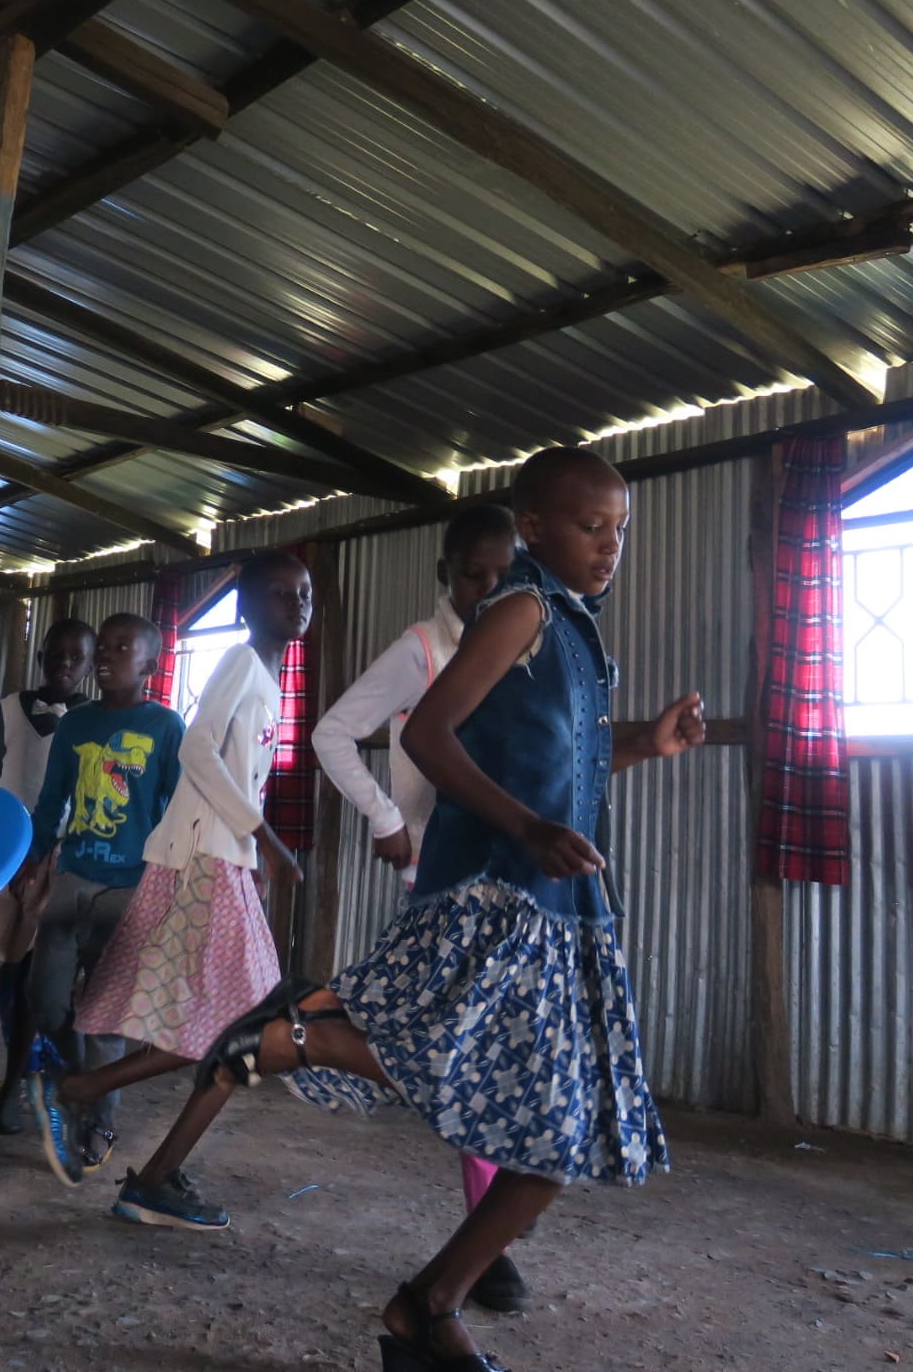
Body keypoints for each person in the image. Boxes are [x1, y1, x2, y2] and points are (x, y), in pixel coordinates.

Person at [152, 448, 705, 1372]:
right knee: (461, 1066)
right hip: (500, 897)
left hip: (562, 906)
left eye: (619, 529)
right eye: (588, 526)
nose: (609, 546)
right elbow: (427, 736)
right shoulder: (522, 609)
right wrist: (528, 829)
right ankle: (297, 1038)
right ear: (531, 529)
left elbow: (562, 764)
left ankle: (427, 1305)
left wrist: (645, 742)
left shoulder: (575, 631)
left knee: (558, 1129)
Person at [31, 551, 312, 1230]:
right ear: (246, 608)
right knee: (244, 1029)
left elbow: (231, 777)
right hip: (203, 863)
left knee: (235, 1031)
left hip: (224, 862)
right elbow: (197, 753)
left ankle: (128, 1143)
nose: (295, 603)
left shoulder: (270, 682)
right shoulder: (242, 665)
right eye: (279, 593)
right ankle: (93, 1104)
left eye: (303, 593)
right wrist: (263, 840)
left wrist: (251, 852)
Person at [308, 504, 532, 1313]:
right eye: (473, 574)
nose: (488, 588)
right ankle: (487, 1243)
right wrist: (386, 815)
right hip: (443, 879)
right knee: (466, 1052)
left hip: (515, 877)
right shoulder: (424, 648)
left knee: (493, 1049)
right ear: (446, 576)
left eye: (504, 574)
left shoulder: (523, 643)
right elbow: (333, 734)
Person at [19, 613, 181, 1174]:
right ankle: (72, 1087)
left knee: (108, 1018)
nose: (107, 654)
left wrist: (173, 880)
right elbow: (51, 801)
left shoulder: (165, 727)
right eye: (103, 646)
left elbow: (176, 809)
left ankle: (100, 1119)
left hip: (130, 888)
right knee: (46, 1001)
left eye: (122, 646)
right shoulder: (75, 725)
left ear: (150, 666)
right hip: (72, 879)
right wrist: (35, 859)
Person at [0, 619, 94, 1134]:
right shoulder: (8, 708)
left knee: (24, 984)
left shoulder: (92, 720)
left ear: (88, 666)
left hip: (54, 860)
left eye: (76, 658)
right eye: (56, 655)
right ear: (42, 656)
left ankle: (12, 1091)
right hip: (2, 852)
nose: (64, 664)